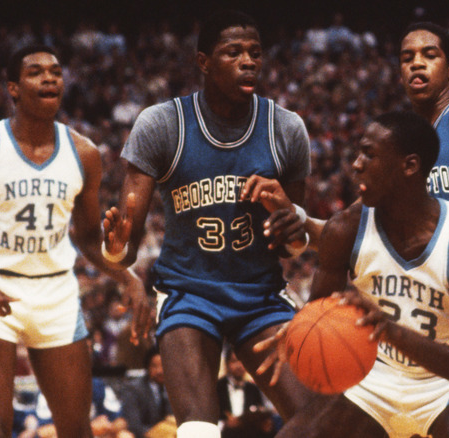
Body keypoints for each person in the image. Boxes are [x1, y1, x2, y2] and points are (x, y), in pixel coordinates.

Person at [245, 0, 449, 415]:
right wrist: (295, 216)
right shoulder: (395, 151)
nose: (417, 63)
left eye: (430, 54)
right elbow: (348, 235)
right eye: (407, 57)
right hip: (430, 308)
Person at [102, 10, 313, 436]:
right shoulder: (162, 124)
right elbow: (126, 245)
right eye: (233, 52)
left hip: (261, 296)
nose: (248, 61)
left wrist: (289, 226)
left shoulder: (286, 129)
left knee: (318, 424)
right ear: (203, 62)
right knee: (198, 430)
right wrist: (116, 247)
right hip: (190, 294)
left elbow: (294, 243)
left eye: (255, 52)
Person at [258, 112, 449, 437]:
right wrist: (300, 330)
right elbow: (320, 317)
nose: (356, 164)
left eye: (369, 154)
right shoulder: (345, 228)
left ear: (409, 166)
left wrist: (391, 332)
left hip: (443, 387)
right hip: (371, 378)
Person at [0, 45, 150, 438]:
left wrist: (127, 275)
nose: (49, 78)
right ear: (13, 88)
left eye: (56, 71)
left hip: (56, 292)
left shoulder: (83, 153)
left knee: (77, 430)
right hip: (0, 285)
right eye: (36, 72)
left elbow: (86, 237)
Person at [217, 349, 278, 438]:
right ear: (227, 363)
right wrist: (225, 424)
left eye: (242, 361)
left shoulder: (253, 388)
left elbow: (258, 412)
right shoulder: (217, 387)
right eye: (234, 361)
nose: (239, 365)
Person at [120, 348, 171, 438]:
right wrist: (158, 434)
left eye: (163, 365)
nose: (159, 371)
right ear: (147, 367)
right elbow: (134, 425)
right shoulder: (133, 389)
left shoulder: (172, 388)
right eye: (155, 366)